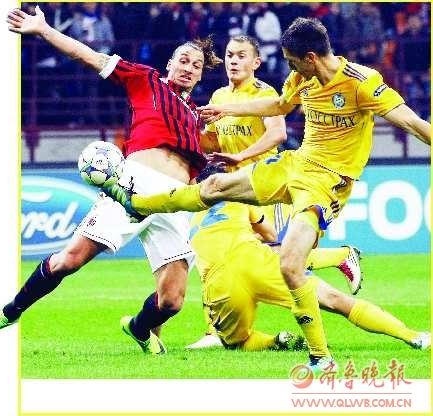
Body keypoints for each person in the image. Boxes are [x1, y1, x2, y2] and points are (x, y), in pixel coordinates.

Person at [100, 17, 431, 371]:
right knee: (214, 186)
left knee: (289, 264)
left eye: (292, 61)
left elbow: (414, 124)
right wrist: (226, 109)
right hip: (296, 164)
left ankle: (321, 357)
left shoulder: (362, 83)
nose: (289, 68)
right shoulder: (302, 78)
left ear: (310, 57)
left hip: (326, 184)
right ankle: (134, 202)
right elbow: (280, 105)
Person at [0, 5, 222, 356]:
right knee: (70, 260)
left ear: (201, 75)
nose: (189, 68)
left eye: (196, 65)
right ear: (169, 64)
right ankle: (8, 313)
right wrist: (44, 30)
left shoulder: (194, 115)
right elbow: (90, 56)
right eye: (184, 61)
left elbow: (205, 155)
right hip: (135, 185)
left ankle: (138, 328)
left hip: (176, 200)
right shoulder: (146, 80)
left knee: (172, 300)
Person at [188, 35, 362, 350]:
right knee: (220, 257)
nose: (233, 61)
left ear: (256, 62)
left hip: (265, 189)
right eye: (230, 55)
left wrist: (241, 156)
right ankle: (214, 332)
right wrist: (186, 130)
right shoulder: (219, 96)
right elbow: (212, 141)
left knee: (284, 256)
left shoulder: (265, 94)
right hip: (232, 190)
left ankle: (339, 257)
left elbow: (278, 133)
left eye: (241, 55)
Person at [188, 167, 430, 354]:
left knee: (236, 343)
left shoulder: (191, 219)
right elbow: (271, 235)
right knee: (336, 300)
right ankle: (413, 336)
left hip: (220, 283)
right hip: (255, 262)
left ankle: (276, 341)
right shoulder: (238, 201)